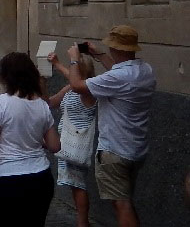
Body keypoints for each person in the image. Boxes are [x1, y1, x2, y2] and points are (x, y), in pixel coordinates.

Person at [61, 25, 156, 227]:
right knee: (125, 200)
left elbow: (78, 86)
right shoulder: (145, 71)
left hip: (115, 150)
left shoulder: (117, 78)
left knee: (121, 204)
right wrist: (99, 55)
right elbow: (117, 72)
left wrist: (74, 59)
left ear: (116, 48)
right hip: (136, 148)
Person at [0, 52, 61, 227]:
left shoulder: (1, 103)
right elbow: (54, 146)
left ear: (5, 76)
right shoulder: (42, 105)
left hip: (10, 178)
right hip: (40, 177)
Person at [46, 53, 98, 227]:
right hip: (66, 143)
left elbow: (77, 84)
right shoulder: (71, 88)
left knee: (79, 185)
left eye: (74, 67)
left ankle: (82, 223)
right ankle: (83, 222)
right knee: (75, 186)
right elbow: (51, 102)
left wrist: (58, 64)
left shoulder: (89, 91)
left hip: (77, 145)